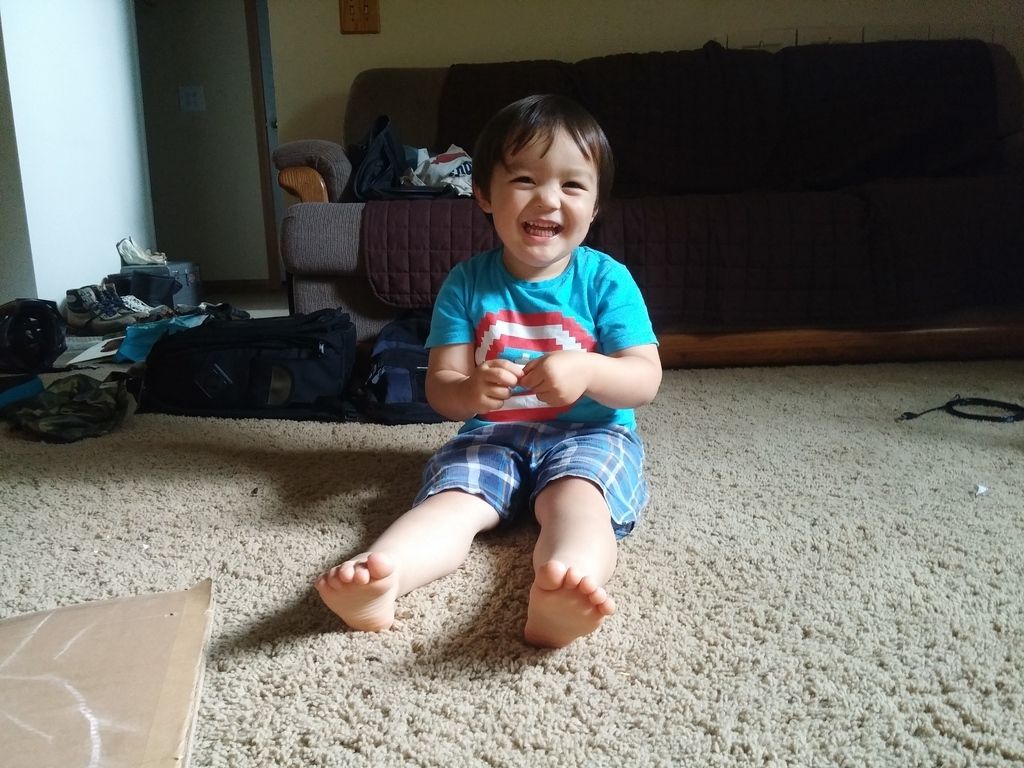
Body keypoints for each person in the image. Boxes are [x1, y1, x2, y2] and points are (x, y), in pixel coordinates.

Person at [316, 94, 662, 648]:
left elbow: (644, 378)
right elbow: (442, 388)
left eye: (573, 185)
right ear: (483, 193)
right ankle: (384, 574)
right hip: (492, 436)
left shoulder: (607, 280)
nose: (548, 199)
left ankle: (566, 586)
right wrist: (472, 389)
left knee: (577, 502)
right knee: (452, 503)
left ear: (596, 205)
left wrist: (590, 368)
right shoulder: (465, 284)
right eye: (525, 179)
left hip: (591, 434)